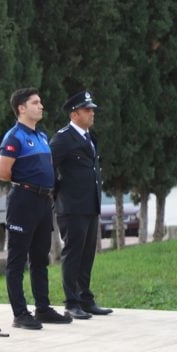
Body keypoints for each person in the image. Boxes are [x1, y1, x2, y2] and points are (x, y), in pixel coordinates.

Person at [0, 88, 71, 330]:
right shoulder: (14, 137)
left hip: (42, 201)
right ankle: (20, 313)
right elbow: (2, 172)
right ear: (21, 108)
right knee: (17, 259)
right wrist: (25, 183)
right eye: (36, 103)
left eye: (41, 102)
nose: (41, 106)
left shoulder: (41, 136)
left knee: (40, 257)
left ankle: (43, 308)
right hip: (23, 200)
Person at [50, 90, 113, 319]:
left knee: (87, 254)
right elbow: (48, 169)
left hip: (90, 205)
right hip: (72, 207)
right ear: (74, 113)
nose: (92, 113)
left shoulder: (89, 137)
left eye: (92, 110)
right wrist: (59, 193)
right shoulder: (63, 138)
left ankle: (85, 298)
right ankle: (71, 301)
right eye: (87, 110)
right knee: (73, 253)